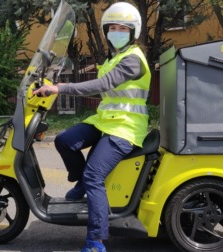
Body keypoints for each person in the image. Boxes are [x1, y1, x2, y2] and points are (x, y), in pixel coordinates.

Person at [33, 2, 151, 252]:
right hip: (104, 122)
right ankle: (82, 184)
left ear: (133, 32)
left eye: (123, 28)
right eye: (112, 28)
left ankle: (96, 241)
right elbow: (108, 93)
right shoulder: (114, 57)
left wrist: (60, 88)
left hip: (125, 129)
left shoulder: (133, 60)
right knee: (64, 140)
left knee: (94, 176)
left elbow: (101, 84)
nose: (116, 32)